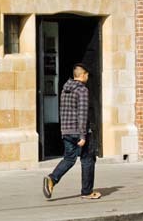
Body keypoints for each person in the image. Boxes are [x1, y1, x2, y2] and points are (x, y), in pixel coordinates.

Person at [43, 63, 100, 200]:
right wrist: (83, 135)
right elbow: (82, 113)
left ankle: (52, 179)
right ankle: (87, 192)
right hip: (80, 131)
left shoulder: (65, 88)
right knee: (87, 159)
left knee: (69, 159)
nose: (87, 77)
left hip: (67, 130)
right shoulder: (82, 90)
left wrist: (64, 131)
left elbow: (63, 111)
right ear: (82, 75)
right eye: (87, 75)